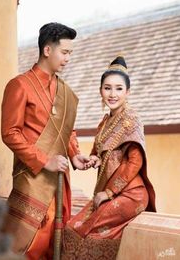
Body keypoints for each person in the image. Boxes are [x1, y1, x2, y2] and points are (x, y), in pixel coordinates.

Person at [1, 22, 92, 260]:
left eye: (70, 53)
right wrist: (44, 160)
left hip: (60, 178)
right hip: (33, 178)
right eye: (65, 52)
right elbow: (10, 132)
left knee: (55, 242)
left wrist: (74, 155)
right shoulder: (19, 85)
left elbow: (66, 130)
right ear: (47, 50)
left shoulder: (65, 92)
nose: (68, 58)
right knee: (30, 244)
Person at [62, 55, 156, 260]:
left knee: (90, 234)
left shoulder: (132, 119)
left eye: (118, 88)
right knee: (71, 228)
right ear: (100, 91)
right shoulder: (105, 122)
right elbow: (100, 154)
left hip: (130, 194)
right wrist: (94, 159)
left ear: (127, 92)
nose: (112, 94)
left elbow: (135, 161)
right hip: (107, 191)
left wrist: (109, 192)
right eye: (107, 88)